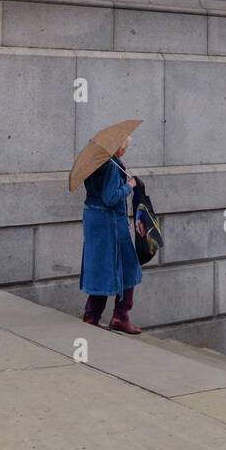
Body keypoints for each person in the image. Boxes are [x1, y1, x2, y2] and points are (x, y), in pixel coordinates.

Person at [80, 133, 143, 334]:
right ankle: (120, 316)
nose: (125, 150)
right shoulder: (110, 166)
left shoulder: (93, 163)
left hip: (94, 220)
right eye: (124, 146)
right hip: (110, 222)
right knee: (129, 267)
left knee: (101, 267)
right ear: (118, 147)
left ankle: (91, 315)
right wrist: (129, 186)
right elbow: (110, 197)